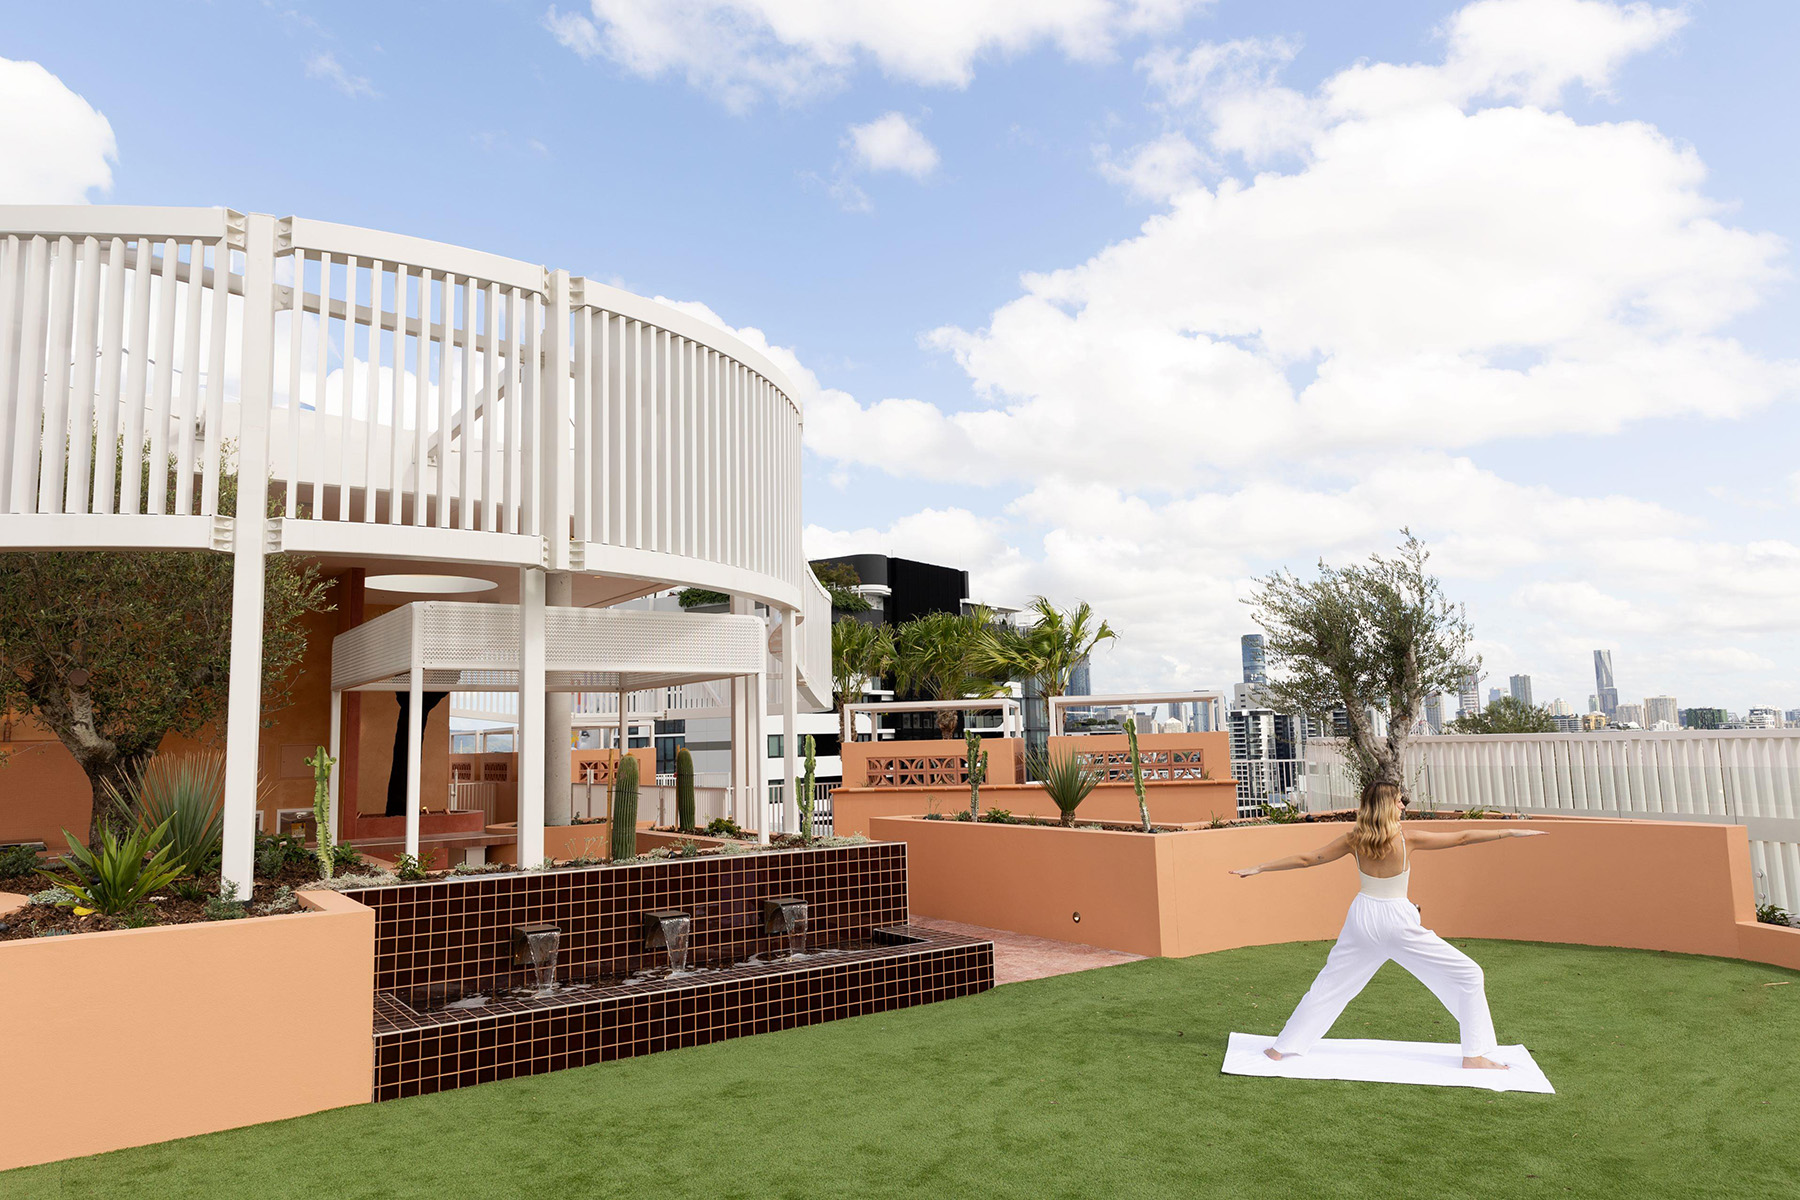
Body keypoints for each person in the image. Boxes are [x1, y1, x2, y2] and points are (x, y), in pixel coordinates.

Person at [1229, 782, 1545, 1070]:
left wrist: (1259, 867)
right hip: (1397, 920)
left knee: (1330, 985)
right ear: (1386, 805)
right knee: (1470, 974)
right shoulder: (1407, 838)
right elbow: (1462, 838)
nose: (1403, 805)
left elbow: (1308, 859)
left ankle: (1280, 1050)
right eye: (1398, 801)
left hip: (1362, 917)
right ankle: (1474, 1056)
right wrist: (1509, 832)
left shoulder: (1354, 839)